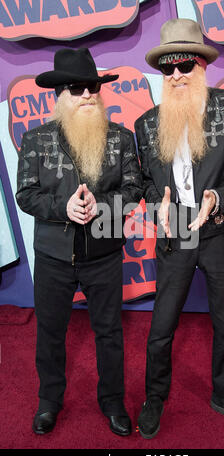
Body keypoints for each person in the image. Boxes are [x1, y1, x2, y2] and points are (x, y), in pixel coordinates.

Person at [134, 19, 224, 438]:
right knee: (161, 327)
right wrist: (158, 204)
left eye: (185, 65)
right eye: (167, 68)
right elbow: (146, 182)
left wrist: (218, 197)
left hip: (221, 231)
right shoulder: (147, 125)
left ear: (202, 64)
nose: (175, 75)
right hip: (175, 237)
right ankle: (155, 396)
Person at [16, 48, 143, 436]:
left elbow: (135, 188)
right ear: (61, 96)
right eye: (77, 88)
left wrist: (99, 205)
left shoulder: (121, 138)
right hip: (53, 256)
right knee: (50, 332)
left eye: (92, 87)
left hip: (103, 254)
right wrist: (63, 207)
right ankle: (49, 402)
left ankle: (113, 401)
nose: (87, 95)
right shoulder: (36, 139)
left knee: (109, 332)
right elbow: (26, 195)